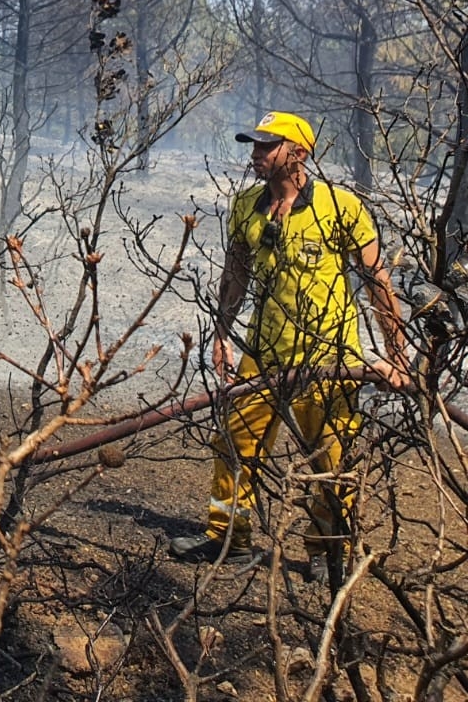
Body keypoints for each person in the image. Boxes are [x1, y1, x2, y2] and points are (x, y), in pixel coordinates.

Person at [169, 110, 410, 573]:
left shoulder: (341, 207)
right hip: (264, 354)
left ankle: (326, 552)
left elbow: (377, 280)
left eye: (266, 146)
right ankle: (227, 539)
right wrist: (222, 333)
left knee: (331, 461)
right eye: (254, 146)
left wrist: (397, 357)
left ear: (298, 153)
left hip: (330, 357)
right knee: (233, 443)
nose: (256, 155)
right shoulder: (246, 207)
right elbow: (235, 272)